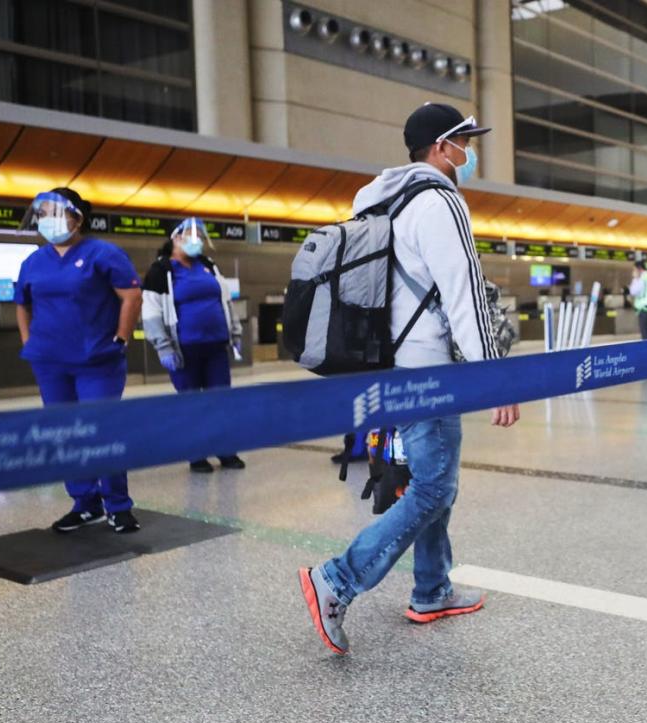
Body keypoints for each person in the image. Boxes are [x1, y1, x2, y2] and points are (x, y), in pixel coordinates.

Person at [298, 103, 519, 656]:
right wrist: (496, 377)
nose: (469, 153)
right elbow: (464, 291)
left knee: (430, 477)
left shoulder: (382, 199)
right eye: (465, 142)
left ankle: (432, 589)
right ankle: (338, 580)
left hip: (388, 363)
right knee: (433, 485)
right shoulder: (440, 203)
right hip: (428, 369)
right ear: (442, 147)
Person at [14, 188, 143, 534]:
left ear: (77, 217)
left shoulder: (103, 253)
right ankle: (85, 503)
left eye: (55, 212)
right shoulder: (33, 261)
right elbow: (21, 303)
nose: (47, 219)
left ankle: (118, 505)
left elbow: (131, 295)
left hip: (97, 361)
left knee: (101, 431)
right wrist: (30, 342)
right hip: (51, 363)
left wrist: (121, 337)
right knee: (65, 434)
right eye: (42, 213)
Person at [142, 217, 247, 473]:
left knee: (220, 401)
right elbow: (151, 312)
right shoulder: (162, 271)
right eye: (191, 235)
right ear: (175, 238)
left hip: (215, 347)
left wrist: (235, 332)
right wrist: (163, 346)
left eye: (200, 235)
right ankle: (196, 454)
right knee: (191, 403)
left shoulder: (208, 266)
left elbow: (226, 301)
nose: (197, 240)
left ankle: (225, 450)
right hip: (183, 350)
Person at [629, 260, 647, 339]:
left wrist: (635, 279)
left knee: (645, 335)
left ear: (639, 269)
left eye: (634, 269)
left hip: (644, 309)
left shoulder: (642, 278)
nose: (633, 272)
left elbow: (633, 291)